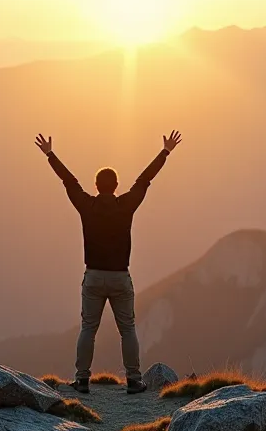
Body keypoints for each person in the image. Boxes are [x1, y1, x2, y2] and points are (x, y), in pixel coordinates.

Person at [35, 130, 182, 394]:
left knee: (88, 329)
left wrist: (50, 154)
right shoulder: (126, 205)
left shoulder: (87, 206)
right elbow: (144, 179)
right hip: (119, 277)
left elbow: (69, 181)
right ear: (116, 186)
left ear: (96, 185)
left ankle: (81, 379)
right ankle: (134, 380)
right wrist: (165, 151)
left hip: (92, 277)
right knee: (127, 329)